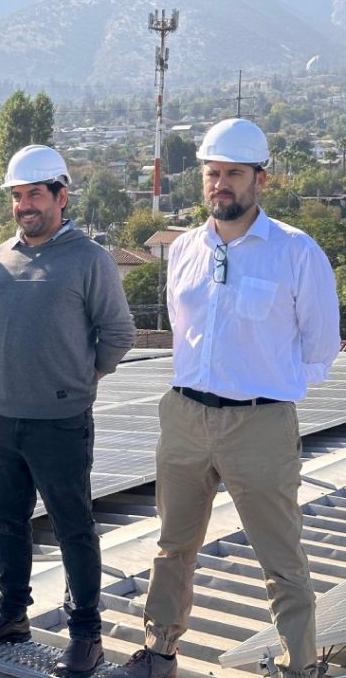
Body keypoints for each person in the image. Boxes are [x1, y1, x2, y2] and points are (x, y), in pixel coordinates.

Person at [112, 119, 340, 678]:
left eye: (233, 174)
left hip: (259, 425)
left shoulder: (294, 251)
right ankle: (160, 652)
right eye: (213, 173)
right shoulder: (186, 248)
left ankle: (299, 665)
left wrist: (269, 388)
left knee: (280, 557)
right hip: (185, 416)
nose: (221, 185)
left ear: (260, 180)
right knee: (173, 546)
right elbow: (180, 326)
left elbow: (322, 343)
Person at [0, 145, 135, 674]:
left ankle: (86, 633)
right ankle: (12, 614)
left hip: (60, 421)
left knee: (72, 526)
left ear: (61, 196)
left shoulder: (89, 258)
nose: (25, 205)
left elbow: (119, 333)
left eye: (35, 193)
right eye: (17, 196)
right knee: (7, 523)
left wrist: (81, 378)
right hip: (3, 416)